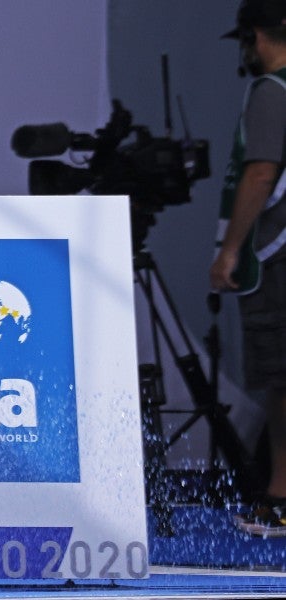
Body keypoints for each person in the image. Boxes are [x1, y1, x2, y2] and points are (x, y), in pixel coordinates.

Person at [210, 0, 286, 537]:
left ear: (257, 37)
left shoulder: (271, 92)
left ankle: (281, 498)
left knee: (281, 382)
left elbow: (260, 172)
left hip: (277, 255)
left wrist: (231, 249)